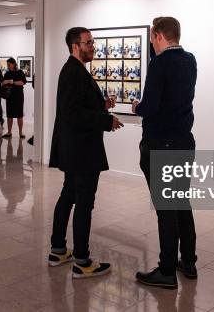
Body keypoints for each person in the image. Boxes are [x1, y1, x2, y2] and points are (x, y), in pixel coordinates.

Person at [48, 27, 123, 278]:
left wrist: (101, 105)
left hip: (76, 149)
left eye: (93, 42)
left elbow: (78, 106)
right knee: (83, 203)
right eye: (88, 42)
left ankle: (58, 250)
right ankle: (82, 260)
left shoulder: (75, 70)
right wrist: (106, 120)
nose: (93, 46)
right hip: (81, 150)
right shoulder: (72, 72)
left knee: (69, 195)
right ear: (74, 46)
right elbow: (72, 114)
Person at [132, 17, 198, 289]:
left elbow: (151, 106)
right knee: (181, 202)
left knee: (165, 209)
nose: (150, 42)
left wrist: (137, 106)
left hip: (161, 143)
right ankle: (189, 262)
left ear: (158, 35)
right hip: (184, 141)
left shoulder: (159, 64)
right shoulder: (190, 59)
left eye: (151, 37)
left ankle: (167, 270)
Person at [1, 58, 27, 138]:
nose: (8, 66)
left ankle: (20, 133)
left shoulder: (20, 72)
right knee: (9, 115)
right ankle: (9, 132)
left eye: (9, 64)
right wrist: (3, 83)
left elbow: (23, 82)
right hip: (9, 96)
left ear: (14, 64)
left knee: (19, 114)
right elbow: (3, 83)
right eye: (7, 65)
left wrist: (12, 82)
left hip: (18, 96)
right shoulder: (7, 73)